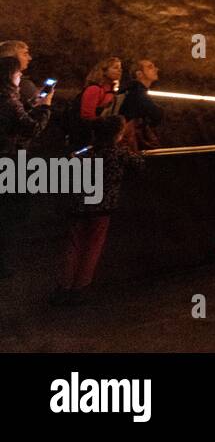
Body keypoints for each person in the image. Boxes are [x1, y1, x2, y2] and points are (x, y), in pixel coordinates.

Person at [49, 114, 143, 306]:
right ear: (118, 134)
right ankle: (80, 287)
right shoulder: (119, 153)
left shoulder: (86, 153)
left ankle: (63, 286)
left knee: (73, 245)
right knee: (93, 247)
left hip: (80, 204)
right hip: (103, 207)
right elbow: (139, 164)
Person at [0, 55, 53, 278]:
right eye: (18, 73)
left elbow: (16, 119)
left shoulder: (8, 98)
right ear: (10, 76)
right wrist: (45, 108)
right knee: (8, 214)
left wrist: (32, 105)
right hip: (8, 160)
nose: (20, 76)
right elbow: (31, 128)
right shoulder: (9, 100)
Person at [75, 57, 122, 151]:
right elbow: (87, 117)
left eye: (120, 68)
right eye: (115, 67)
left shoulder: (110, 91)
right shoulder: (94, 90)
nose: (119, 70)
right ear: (104, 71)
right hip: (89, 138)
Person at [119, 59, 164, 151]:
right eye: (150, 67)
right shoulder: (137, 92)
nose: (156, 69)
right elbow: (156, 115)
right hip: (131, 142)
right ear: (139, 74)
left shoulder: (131, 90)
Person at [0, 41, 38, 109]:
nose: (30, 58)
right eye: (25, 54)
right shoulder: (23, 85)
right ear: (11, 58)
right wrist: (45, 105)